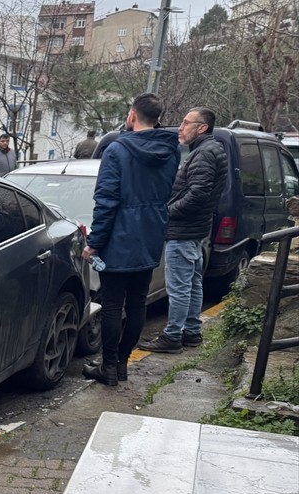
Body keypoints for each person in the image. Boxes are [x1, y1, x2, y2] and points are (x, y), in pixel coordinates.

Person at [81, 93, 181, 386]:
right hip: (150, 233)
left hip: (119, 236)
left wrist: (94, 241)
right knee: (138, 303)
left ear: (132, 115)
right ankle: (122, 364)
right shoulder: (171, 150)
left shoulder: (117, 150)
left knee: (113, 305)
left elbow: (107, 200)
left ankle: (108, 366)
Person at [139, 107, 227, 353]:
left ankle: (172, 336)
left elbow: (198, 194)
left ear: (202, 128)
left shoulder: (204, 154)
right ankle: (191, 331)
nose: (180, 127)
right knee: (192, 282)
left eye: (186, 123)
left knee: (178, 286)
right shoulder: (211, 149)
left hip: (184, 230)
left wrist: (166, 213)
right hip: (195, 230)